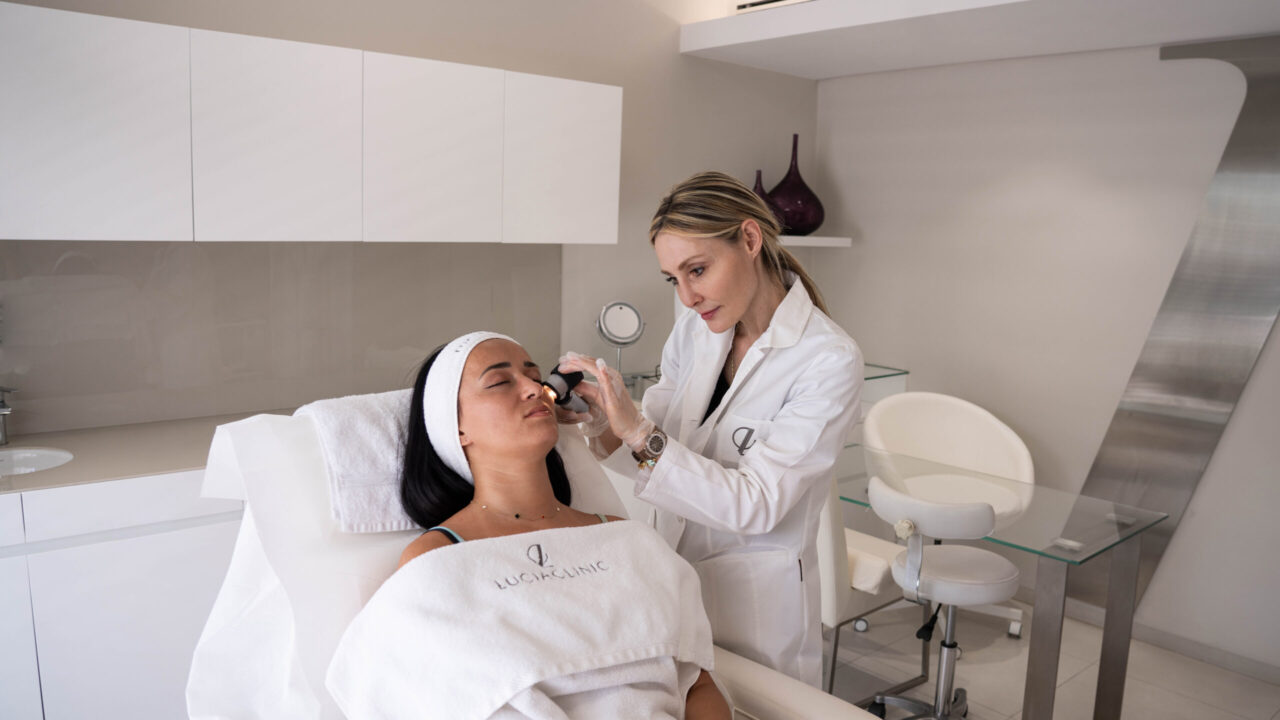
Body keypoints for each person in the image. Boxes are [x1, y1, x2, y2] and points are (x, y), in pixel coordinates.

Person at [325, 331, 730, 720]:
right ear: (456, 427)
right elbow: (441, 699)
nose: (535, 389)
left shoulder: (623, 538)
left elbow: (696, 682)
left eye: (536, 377)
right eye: (500, 382)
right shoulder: (440, 557)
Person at [559, 171, 864, 686]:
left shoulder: (827, 360)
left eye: (697, 270)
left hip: (756, 611)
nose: (688, 296)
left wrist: (637, 433)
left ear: (749, 239)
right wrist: (599, 421)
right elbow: (654, 452)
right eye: (673, 279)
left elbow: (756, 504)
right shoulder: (693, 332)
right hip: (673, 583)